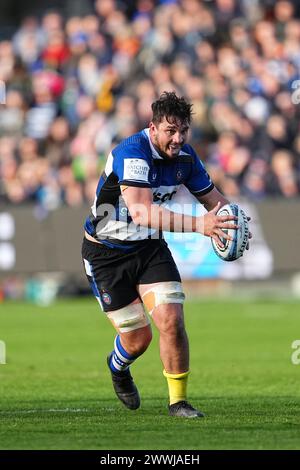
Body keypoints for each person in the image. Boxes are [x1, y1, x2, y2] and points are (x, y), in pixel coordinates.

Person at [82, 91, 241, 418]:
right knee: (138, 340)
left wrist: (232, 222)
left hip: (149, 247)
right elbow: (141, 212)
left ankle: (178, 402)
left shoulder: (186, 157)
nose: (178, 138)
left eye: (183, 131)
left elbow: (215, 201)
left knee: (172, 319)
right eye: (170, 131)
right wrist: (201, 225)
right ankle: (118, 368)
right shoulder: (132, 153)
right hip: (106, 254)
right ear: (152, 127)